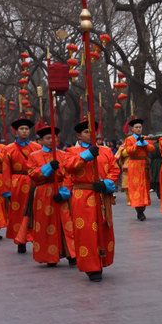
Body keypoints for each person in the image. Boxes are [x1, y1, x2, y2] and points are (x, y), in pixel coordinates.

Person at [63, 119, 121, 282]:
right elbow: (69, 167)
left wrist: (105, 184)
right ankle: (91, 267)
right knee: (86, 231)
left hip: (101, 194)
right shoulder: (72, 151)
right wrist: (87, 156)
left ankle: (101, 261)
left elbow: (114, 170)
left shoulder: (106, 151)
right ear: (79, 135)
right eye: (87, 132)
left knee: (103, 229)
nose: (91, 134)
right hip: (83, 195)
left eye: (93, 130)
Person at [27, 125, 77, 267]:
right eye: (48, 138)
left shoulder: (63, 154)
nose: (52, 140)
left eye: (54, 138)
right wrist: (48, 168)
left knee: (66, 221)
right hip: (44, 192)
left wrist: (65, 191)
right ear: (41, 140)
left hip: (61, 190)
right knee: (46, 223)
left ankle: (71, 253)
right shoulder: (34, 156)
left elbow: (69, 173)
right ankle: (50, 256)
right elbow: (32, 173)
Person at [1, 118, 41, 254]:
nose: (24, 131)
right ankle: (21, 240)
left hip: (34, 181)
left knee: (36, 211)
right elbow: (6, 170)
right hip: (17, 183)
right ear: (16, 132)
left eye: (26, 129)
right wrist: (7, 191)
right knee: (18, 213)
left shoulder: (37, 147)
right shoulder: (8, 149)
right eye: (21, 129)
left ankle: (36, 238)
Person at [122, 117, 154, 220]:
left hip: (144, 164)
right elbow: (129, 151)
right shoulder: (129, 139)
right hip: (134, 164)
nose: (139, 129)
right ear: (132, 129)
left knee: (144, 186)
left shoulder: (145, 138)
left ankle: (142, 208)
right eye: (136, 127)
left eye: (140, 127)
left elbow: (152, 149)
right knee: (136, 187)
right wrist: (137, 144)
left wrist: (144, 143)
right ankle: (139, 210)